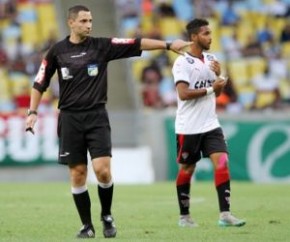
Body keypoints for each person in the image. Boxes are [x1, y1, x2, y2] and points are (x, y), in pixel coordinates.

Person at [25, 4, 192, 239]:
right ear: (71, 22)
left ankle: (106, 215)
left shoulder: (102, 46)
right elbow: (39, 82)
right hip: (70, 119)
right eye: (83, 21)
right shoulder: (57, 51)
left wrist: (167, 45)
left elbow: (136, 43)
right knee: (78, 174)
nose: (89, 25)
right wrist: (32, 112)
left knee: (102, 171)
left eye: (90, 20)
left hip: (96, 117)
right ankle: (87, 225)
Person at [171, 18, 246, 228]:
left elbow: (218, 91)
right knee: (187, 169)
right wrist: (213, 87)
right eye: (205, 33)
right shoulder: (182, 62)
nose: (210, 37)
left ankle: (225, 214)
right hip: (188, 127)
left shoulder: (211, 59)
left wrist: (220, 76)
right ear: (194, 37)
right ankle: (184, 217)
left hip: (211, 124)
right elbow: (184, 94)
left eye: (210, 33)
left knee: (222, 163)